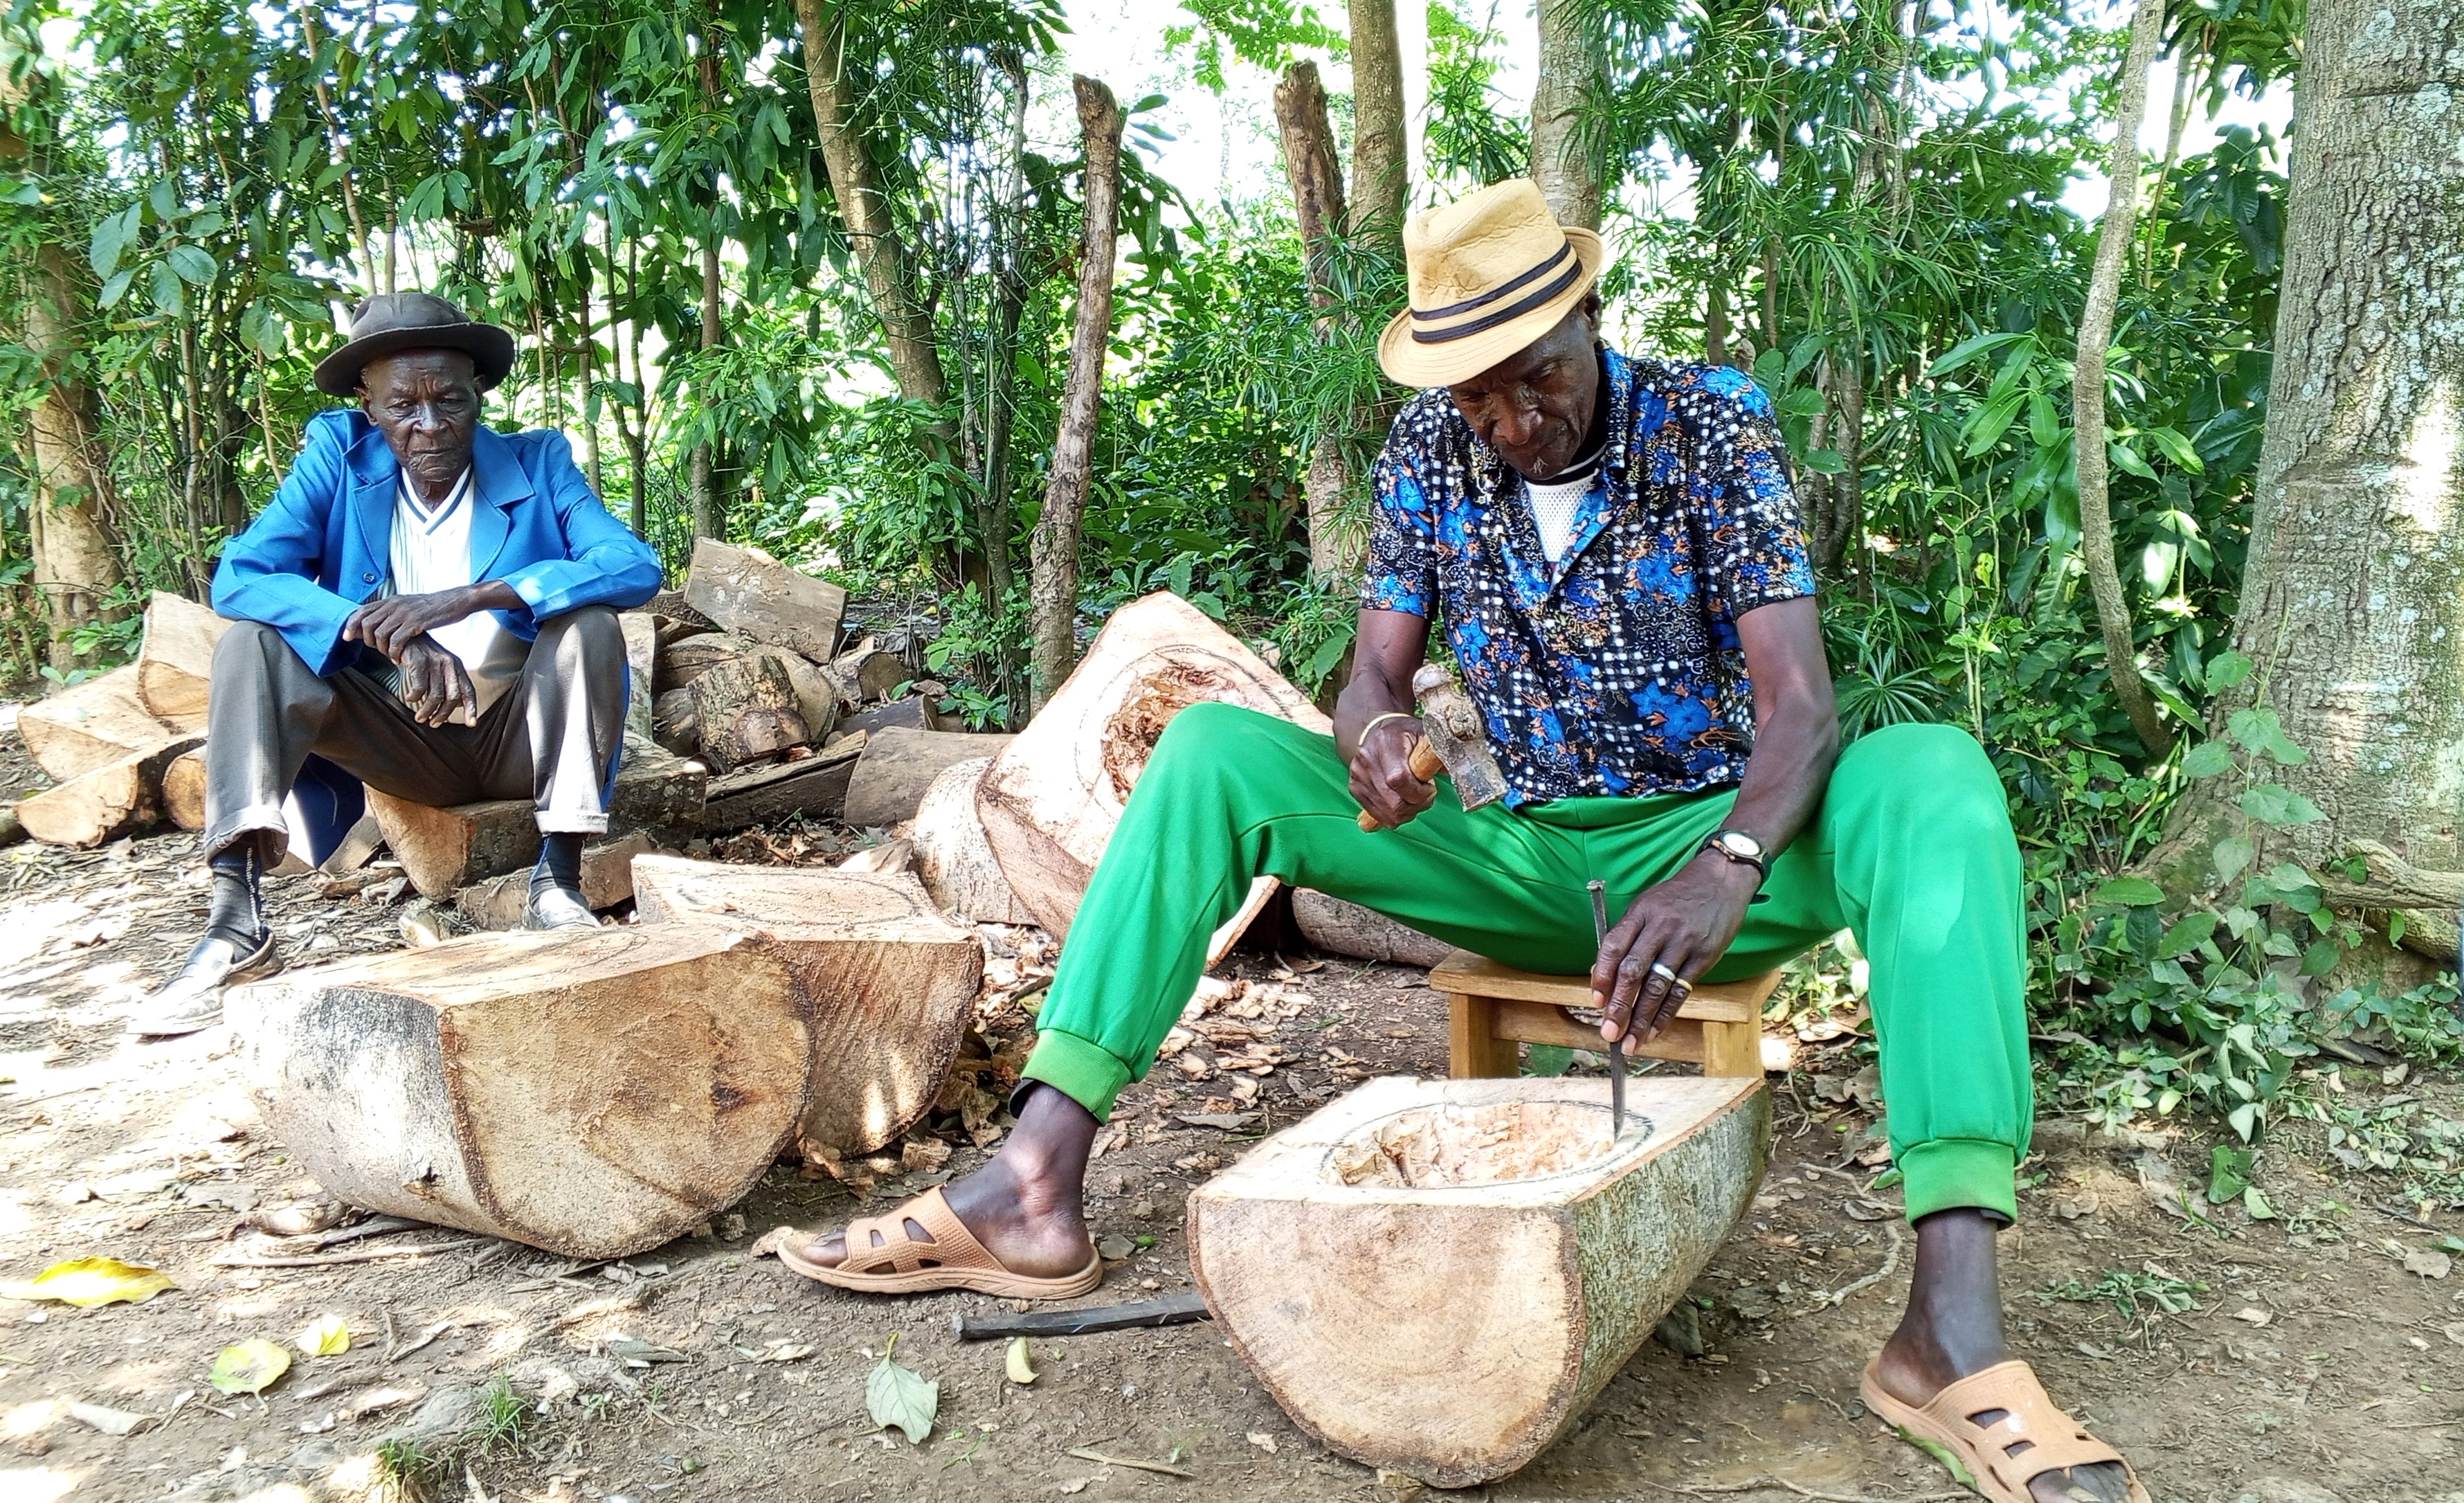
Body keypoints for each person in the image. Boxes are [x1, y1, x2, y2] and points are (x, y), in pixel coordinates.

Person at [779, 181, 2144, 1503]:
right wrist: (1372, 731)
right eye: (1473, 389)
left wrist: (1724, 864)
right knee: (1206, 751)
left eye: (1530, 373)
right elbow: (1375, 671)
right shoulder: (1435, 454)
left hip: (1724, 853)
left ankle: (1948, 1328)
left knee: (1935, 772)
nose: (1508, 416)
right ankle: (1033, 1181)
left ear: (1592, 315)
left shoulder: (1711, 426)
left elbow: (1802, 706)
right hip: (1535, 859)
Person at [129, 292, 662, 1040]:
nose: (431, 424)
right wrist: (380, 629)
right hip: (401, 739)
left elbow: (633, 563)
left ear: (478, 394)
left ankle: (558, 882)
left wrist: (462, 599)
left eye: (449, 399)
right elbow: (242, 576)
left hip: (520, 735)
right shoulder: (339, 459)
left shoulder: (539, 461)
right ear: (368, 405)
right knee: (250, 641)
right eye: (402, 405)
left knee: (590, 623)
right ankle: (234, 922)